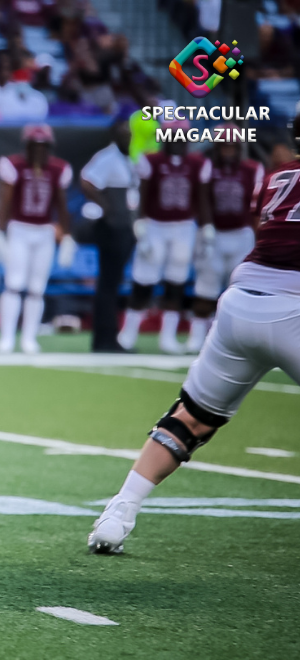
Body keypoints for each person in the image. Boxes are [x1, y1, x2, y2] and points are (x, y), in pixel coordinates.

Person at [88, 106, 300, 555]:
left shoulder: (278, 175)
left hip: (241, 304)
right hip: (293, 308)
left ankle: (118, 513)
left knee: (190, 419)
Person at [117, 120, 212, 355]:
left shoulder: (197, 163)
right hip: (155, 225)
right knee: (144, 279)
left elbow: (202, 197)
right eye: (174, 137)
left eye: (182, 137)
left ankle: (167, 337)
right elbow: (140, 193)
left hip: (183, 226)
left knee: (176, 281)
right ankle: (127, 334)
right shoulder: (151, 161)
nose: (178, 142)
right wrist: (139, 224)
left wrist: (205, 227)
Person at [0, 124, 75, 354]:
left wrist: (67, 235)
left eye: (43, 146)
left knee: (37, 287)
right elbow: (5, 200)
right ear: (27, 146)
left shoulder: (58, 169)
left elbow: (61, 203)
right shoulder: (14, 165)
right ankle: (7, 337)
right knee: (13, 283)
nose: (39, 151)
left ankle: (29, 338)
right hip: (19, 228)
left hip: (44, 231)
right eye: (35, 145)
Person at [187, 128, 262, 353]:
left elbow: (257, 205)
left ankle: (237, 339)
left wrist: (258, 233)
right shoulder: (207, 167)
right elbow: (201, 197)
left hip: (241, 233)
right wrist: (207, 226)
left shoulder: (252, 169)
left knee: (241, 291)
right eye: (224, 145)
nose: (228, 150)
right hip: (214, 234)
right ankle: (196, 336)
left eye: (232, 145)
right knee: (206, 287)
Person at [79, 116, 139, 353]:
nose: (128, 137)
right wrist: (108, 208)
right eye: (124, 133)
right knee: (108, 284)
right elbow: (86, 181)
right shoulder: (107, 157)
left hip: (125, 226)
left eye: (130, 133)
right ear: (115, 135)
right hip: (112, 227)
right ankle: (104, 340)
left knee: (112, 284)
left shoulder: (130, 158)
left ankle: (108, 337)